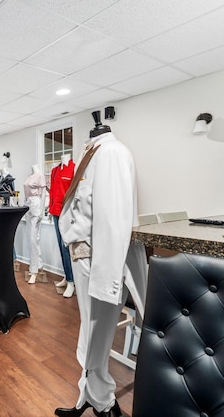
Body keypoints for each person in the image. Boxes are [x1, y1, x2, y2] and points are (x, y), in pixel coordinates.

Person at [55, 111, 138, 417]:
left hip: (97, 258)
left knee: (96, 334)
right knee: (90, 333)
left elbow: (114, 218)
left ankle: (103, 401)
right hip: (83, 256)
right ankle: (91, 397)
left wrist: (107, 275)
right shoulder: (92, 151)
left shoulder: (112, 153)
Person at [49, 154, 76, 297]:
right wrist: (50, 208)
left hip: (67, 213)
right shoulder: (54, 170)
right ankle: (67, 276)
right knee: (60, 246)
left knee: (66, 246)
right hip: (55, 212)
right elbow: (52, 192)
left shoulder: (74, 168)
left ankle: (72, 281)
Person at [23, 164, 47, 284]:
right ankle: (40, 264)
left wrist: (42, 211)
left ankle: (34, 270)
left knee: (33, 239)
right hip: (28, 205)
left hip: (36, 205)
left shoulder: (40, 175)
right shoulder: (29, 176)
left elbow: (43, 195)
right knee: (32, 239)